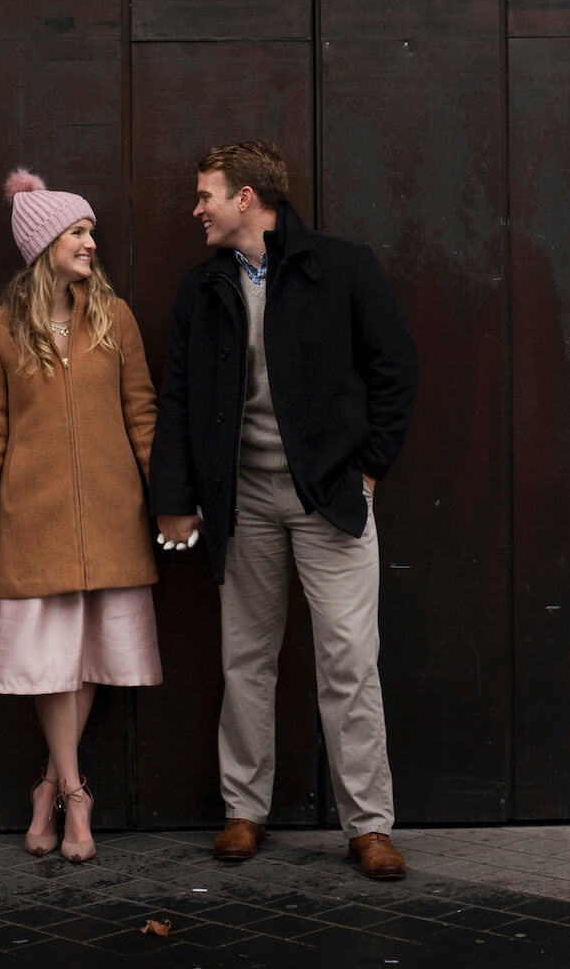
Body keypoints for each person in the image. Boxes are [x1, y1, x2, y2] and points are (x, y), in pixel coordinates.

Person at [149, 140, 418, 879]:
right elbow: (177, 398)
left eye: (206, 194)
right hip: (243, 504)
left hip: (329, 498)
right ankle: (244, 812)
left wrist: (369, 470)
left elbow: (395, 369)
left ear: (247, 198)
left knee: (349, 662)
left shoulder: (342, 267)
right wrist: (174, 499)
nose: (196, 207)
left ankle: (368, 826)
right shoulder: (202, 288)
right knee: (246, 661)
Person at [0, 169, 160, 864]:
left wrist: (170, 500)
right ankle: (76, 793)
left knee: (90, 654)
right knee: (49, 664)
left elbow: (143, 417)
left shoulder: (114, 317)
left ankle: (51, 785)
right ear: (45, 245)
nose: (92, 243)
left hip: (111, 517)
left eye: (91, 231)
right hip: (35, 522)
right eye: (79, 232)